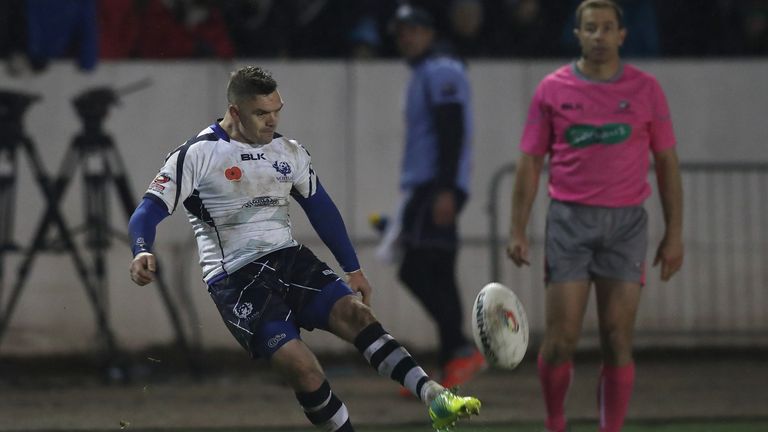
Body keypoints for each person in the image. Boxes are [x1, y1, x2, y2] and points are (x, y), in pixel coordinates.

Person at [127, 66, 480, 432]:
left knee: (358, 316)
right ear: (234, 112)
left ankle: (434, 397)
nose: (271, 120)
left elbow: (321, 208)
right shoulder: (197, 154)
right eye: (261, 113)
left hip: (289, 259)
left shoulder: (289, 152)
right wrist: (141, 250)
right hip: (236, 278)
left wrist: (353, 268)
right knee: (304, 368)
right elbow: (147, 211)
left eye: (277, 110)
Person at [506, 1, 683, 431]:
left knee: (617, 337)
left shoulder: (646, 90)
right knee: (562, 340)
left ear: (623, 35)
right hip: (570, 221)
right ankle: (555, 422)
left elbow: (666, 163)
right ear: (577, 34)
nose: (600, 36)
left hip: (626, 225)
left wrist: (674, 233)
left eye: (607, 28)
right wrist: (518, 229)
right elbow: (529, 162)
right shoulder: (552, 89)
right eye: (591, 28)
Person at [381, 4, 485, 391]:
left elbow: (451, 130)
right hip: (430, 186)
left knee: (415, 270)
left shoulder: (441, 69)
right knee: (440, 273)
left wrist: (444, 190)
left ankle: (459, 348)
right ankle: (450, 369)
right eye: (401, 31)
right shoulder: (429, 70)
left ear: (429, 32)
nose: (405, 37)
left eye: (413, 29)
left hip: (434, 187)